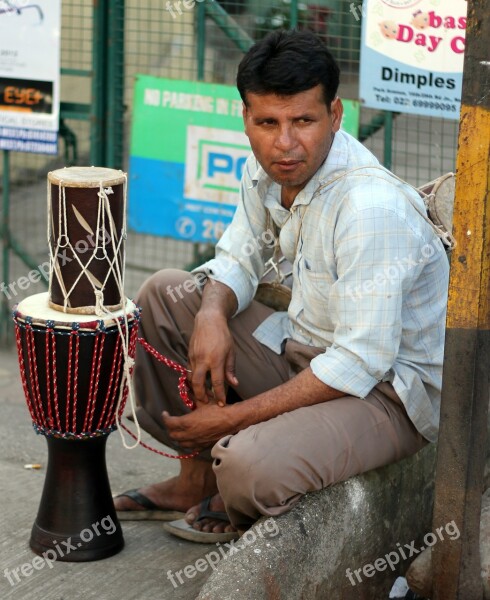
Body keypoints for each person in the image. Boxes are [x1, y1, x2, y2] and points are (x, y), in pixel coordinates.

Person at [114, 29, 449, 542]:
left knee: (249, 467)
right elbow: (239, 256)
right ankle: (195, 481)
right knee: (165, 294)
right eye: (267, 122)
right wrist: (210, 316)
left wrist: (230, 421)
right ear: (245, 117)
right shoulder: (268, 167)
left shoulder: (369, 209)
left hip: (384, 395)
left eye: (303, 121)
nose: (285, 142)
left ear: (335, 116)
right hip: (304, 352)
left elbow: (361, 361)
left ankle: (233, 478)